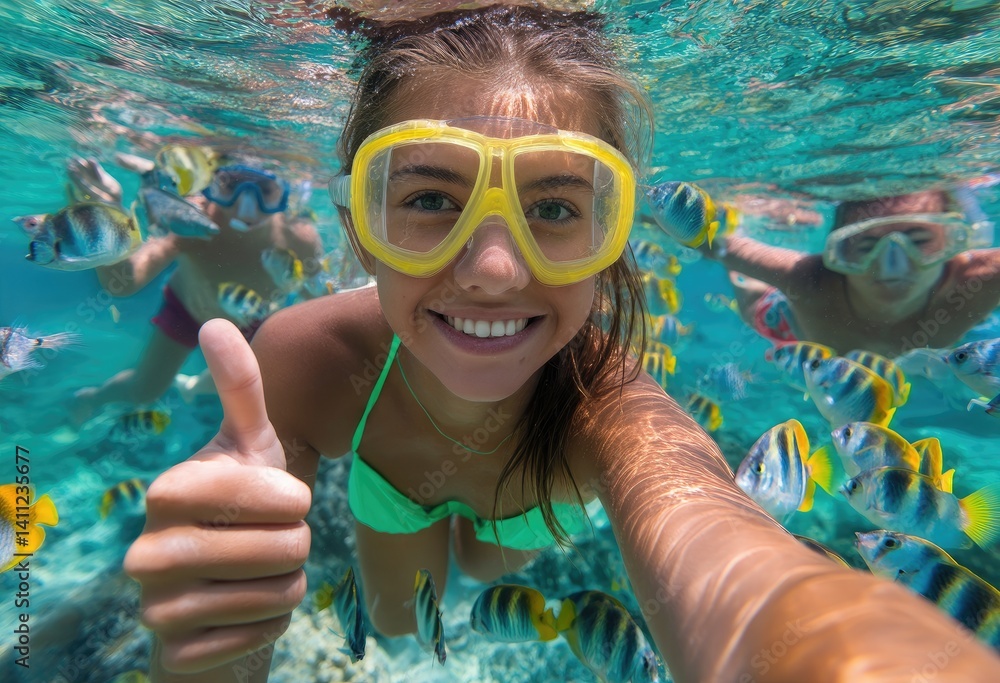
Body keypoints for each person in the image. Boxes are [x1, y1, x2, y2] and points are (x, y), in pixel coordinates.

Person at [122, 6, 1000, 682]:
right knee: (393, 622)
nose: (496, 268)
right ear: (359, 224)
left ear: (612, 233)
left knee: (474, 569)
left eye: (553, 209)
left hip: (534, 506)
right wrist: (208, 647)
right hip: (393, 488)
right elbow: (221, 654)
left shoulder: (612, 407)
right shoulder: (303, 360)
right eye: (429, 199)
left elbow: (736, 558)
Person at [69, 152, 325, 420]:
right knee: (144, 391)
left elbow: (316, 301)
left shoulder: (300, 239)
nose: (246, 207)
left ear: (285, 194)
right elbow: (124, 282)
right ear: (213, 184)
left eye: (264, 191)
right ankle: (93, 398)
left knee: (261, 385)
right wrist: (104, 218)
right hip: (187, 310)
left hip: (254, 319)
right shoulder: (194, 219)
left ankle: (192, 387)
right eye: (232, 188)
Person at [710, 190, 1000, 356]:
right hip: (788, 329)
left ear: (951, 241)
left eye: (919, 241)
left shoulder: (981, 278)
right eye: (868, 244)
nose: (892, 268)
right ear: (840, 251)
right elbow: (709, 241)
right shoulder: (807, 278)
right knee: (750, 292)